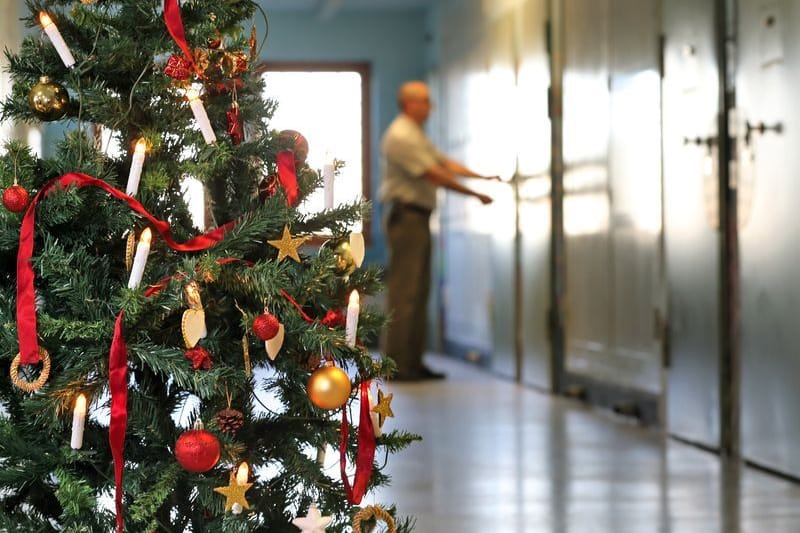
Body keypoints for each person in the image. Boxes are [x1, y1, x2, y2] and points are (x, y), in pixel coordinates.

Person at [380, 80, 498, 381]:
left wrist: (481, 177)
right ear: (409, 103)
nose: (430, 106)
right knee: (405, 292)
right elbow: (434, 174)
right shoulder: (401, 135)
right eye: (425, 100)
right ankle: (396, 365)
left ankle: (412, 362)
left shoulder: (415, 133)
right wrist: (476, 195)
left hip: (417, 217)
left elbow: (444, 163)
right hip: (406, 217)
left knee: (418, 292)